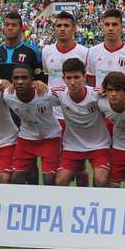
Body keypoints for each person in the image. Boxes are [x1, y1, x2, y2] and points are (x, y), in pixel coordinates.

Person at [42, 11, 90, 186]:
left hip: (77, 113)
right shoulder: (46, 51)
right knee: (59, 161)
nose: (62, 29)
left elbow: (89, 83)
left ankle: (83, 198)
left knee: (80, 160)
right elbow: (47, 78)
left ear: (74, 28)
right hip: (54, 114)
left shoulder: (85, 52)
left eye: (66, 26)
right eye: (58, 26)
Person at [51, 58, 111, 188]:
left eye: (77, 77)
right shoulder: (59, 93)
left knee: (101, 180)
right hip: (72, 146)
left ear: (84, 77)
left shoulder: (97, 95)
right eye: (69, 78)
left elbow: (121, 93)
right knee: (60, 181)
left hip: (99, 145)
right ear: (63, 78)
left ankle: (101, 205)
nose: (73, 82)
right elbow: (35, 92)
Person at [3, 64, 61, 186]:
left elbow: (66, 96)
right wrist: (1, 81)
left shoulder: (46, 93)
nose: (20, 81)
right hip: (26, 138)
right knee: (16, 178)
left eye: (24, 78)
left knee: (49, 179)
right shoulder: (8, 96)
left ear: (32, 80)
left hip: (50, 138)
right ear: (11, 80)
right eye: (16, 78)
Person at [86, 8, 125, 89]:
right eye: (107, 24)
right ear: (102, 26)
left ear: (121, 27)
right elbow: (91, 80)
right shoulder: (92, 52)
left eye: (114, 24)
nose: (110, 28)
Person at [0, 11, 43, 82]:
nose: (10, 28)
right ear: (3, 28)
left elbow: (39, 81)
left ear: (20, 29)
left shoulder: (33, 52)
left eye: (14, 25)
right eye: (7, 25)